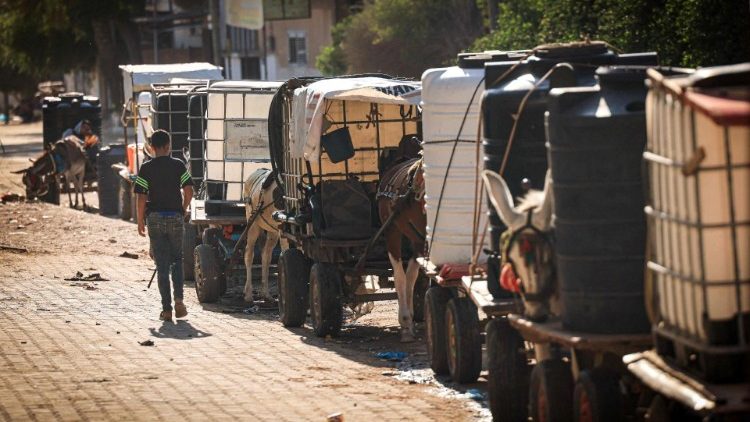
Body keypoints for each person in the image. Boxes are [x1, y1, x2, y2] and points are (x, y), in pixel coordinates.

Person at [134, 130, 194, 322]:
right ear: (169, 146)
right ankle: (179, 300)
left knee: (162, 265)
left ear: (151, 147)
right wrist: (183, 208)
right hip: (175, 217)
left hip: (155, 219)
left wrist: (140, 220)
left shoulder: (146, 168)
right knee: (177, 259)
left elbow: (141, 197)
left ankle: (166, 310)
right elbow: (189, 190)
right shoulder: (178, 165)